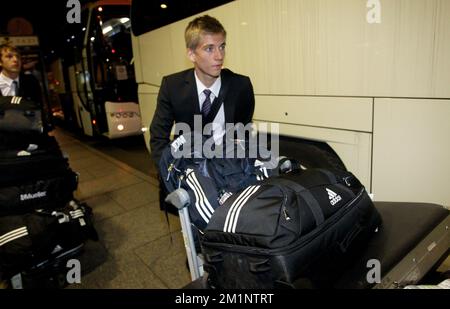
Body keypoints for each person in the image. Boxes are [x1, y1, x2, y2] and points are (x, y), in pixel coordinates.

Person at [150, 15, 255, 166]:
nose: (219, 56)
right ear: (191, 54)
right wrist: (170, 175)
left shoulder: (240, 85)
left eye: (222, 47)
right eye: (209, 48)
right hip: (188, 172)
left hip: (228, 172)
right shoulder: (172, 86)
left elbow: (244, 134)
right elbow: (158, 138)